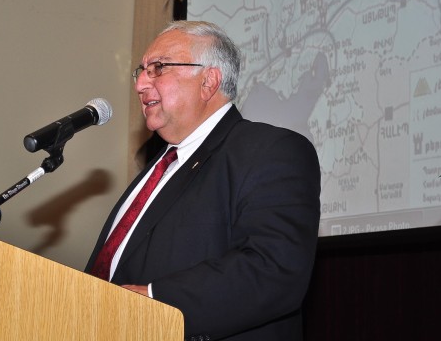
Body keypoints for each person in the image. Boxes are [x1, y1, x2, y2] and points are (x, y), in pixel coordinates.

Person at [85, 21, 321, 340]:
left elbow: (274, 268)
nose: (140, 83)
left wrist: (153, 302)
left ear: (208, 81)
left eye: (158, 68)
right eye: (141, 71)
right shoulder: (156, 169)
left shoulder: (270, 151)